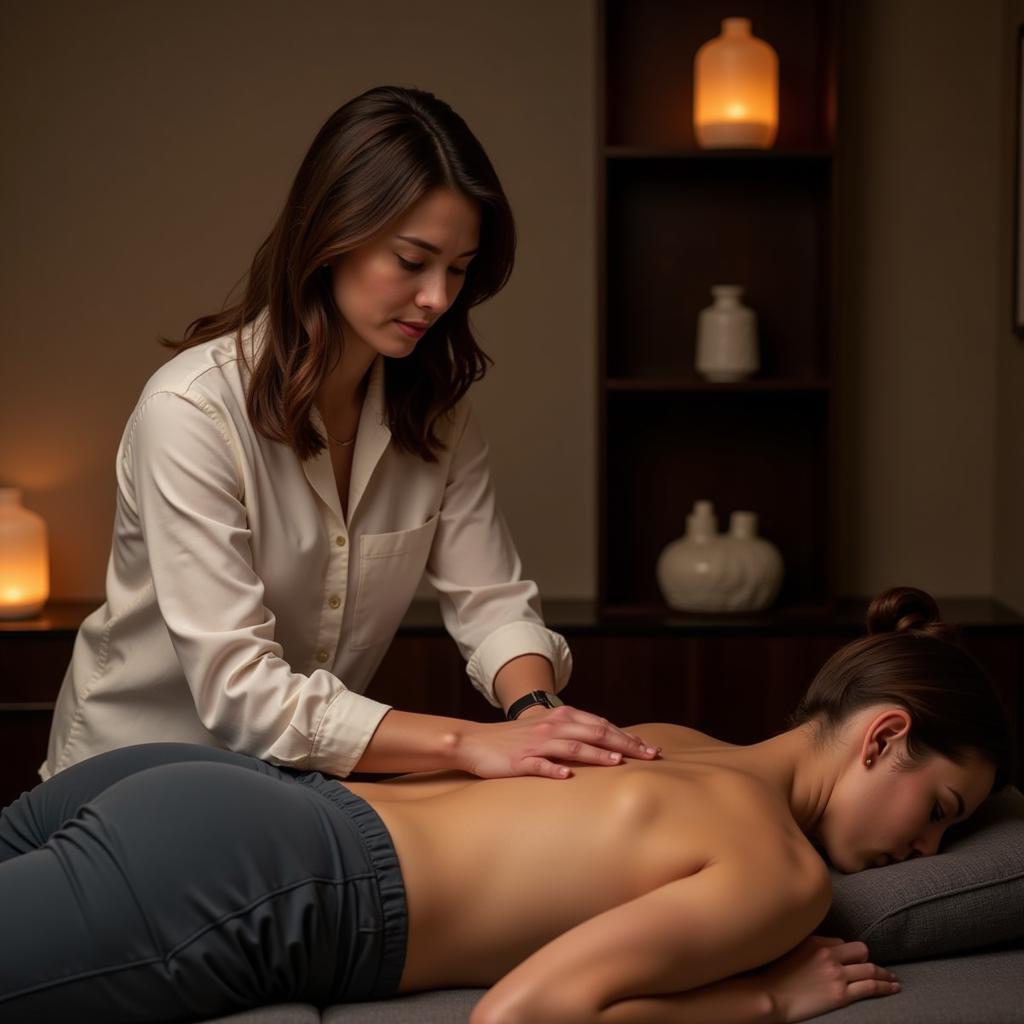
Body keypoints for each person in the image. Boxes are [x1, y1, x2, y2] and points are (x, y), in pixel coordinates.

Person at [2, 587, 1010, 1023]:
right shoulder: (779, 874)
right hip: (261, 879)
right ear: (882, 735)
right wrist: (768, 999)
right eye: (940, 808)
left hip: (200, 786)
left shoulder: (679, 743)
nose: (924, 849)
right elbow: (523, 1012)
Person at [43, 84, 656, 783]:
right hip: (129, 781)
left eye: (458, 269)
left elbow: (491, 603)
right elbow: (240, 691)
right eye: (411, 260)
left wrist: (538, 713)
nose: (437, 298)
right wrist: (470, 744)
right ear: (332, 237)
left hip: (289, 787)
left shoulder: (436, 412)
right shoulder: (190, 412)